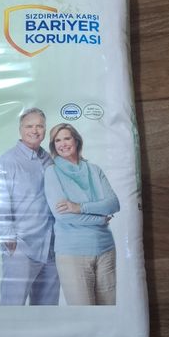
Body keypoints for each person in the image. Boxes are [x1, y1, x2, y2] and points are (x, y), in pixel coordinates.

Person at [0, 108, 60, 306]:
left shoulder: (49, 160)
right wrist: (7, 236)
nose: (35, 131)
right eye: (29, 126)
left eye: (39, 126)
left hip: (52, 247)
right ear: (20, 129)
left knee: (47, 309)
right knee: (12, 305)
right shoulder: (7, 161)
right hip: (21, 247)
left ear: (45, 129)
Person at [44, 124, 119, 305]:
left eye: (67, 138)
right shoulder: (52, 172)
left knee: (108, 312)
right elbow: (63, 215)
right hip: (73, 253)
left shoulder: (94, 169)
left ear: (76, 140)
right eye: (57, 140)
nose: (63, 144)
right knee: (84, 312)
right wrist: (100, 219)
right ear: (53, 146)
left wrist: (80, 207)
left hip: (106, 250)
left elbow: (113, 204)